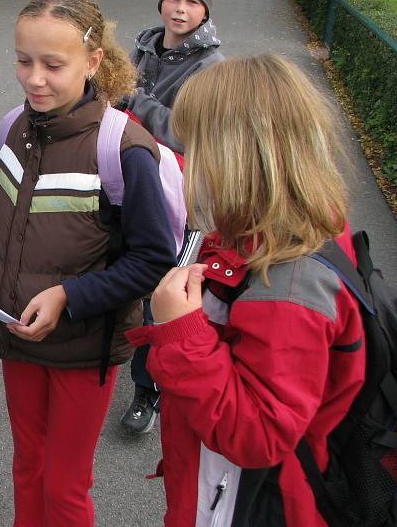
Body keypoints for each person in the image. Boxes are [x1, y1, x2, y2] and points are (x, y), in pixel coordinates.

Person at [0, 0, 175, 527]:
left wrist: (69, 296)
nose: (34, 78)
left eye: (53, 64)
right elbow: (1, 214)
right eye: (24, 61)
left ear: (93, 61)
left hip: (83, 348)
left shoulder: (123, 148)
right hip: (17, 334)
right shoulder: (12, 126)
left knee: (65, 483)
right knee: (27, 466)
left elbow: (153, 259)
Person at [126, 55, 366, 526]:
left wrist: (181, 330)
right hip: (217, 483)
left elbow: (258, 433)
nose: (187, 162)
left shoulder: (289, 290)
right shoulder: (279, 231)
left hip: (240, 502)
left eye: (195, 150)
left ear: (240, 162)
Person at [119, 0, 224, 435]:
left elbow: (187, 134)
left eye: (191, 1)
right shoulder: (145, 46)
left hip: (183, 199)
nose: (180, 9)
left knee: (162, 293)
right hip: (135, 181)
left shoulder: (211, 67)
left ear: (205, 11)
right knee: (121, 266)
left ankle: (149, 389)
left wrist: (133, 101)